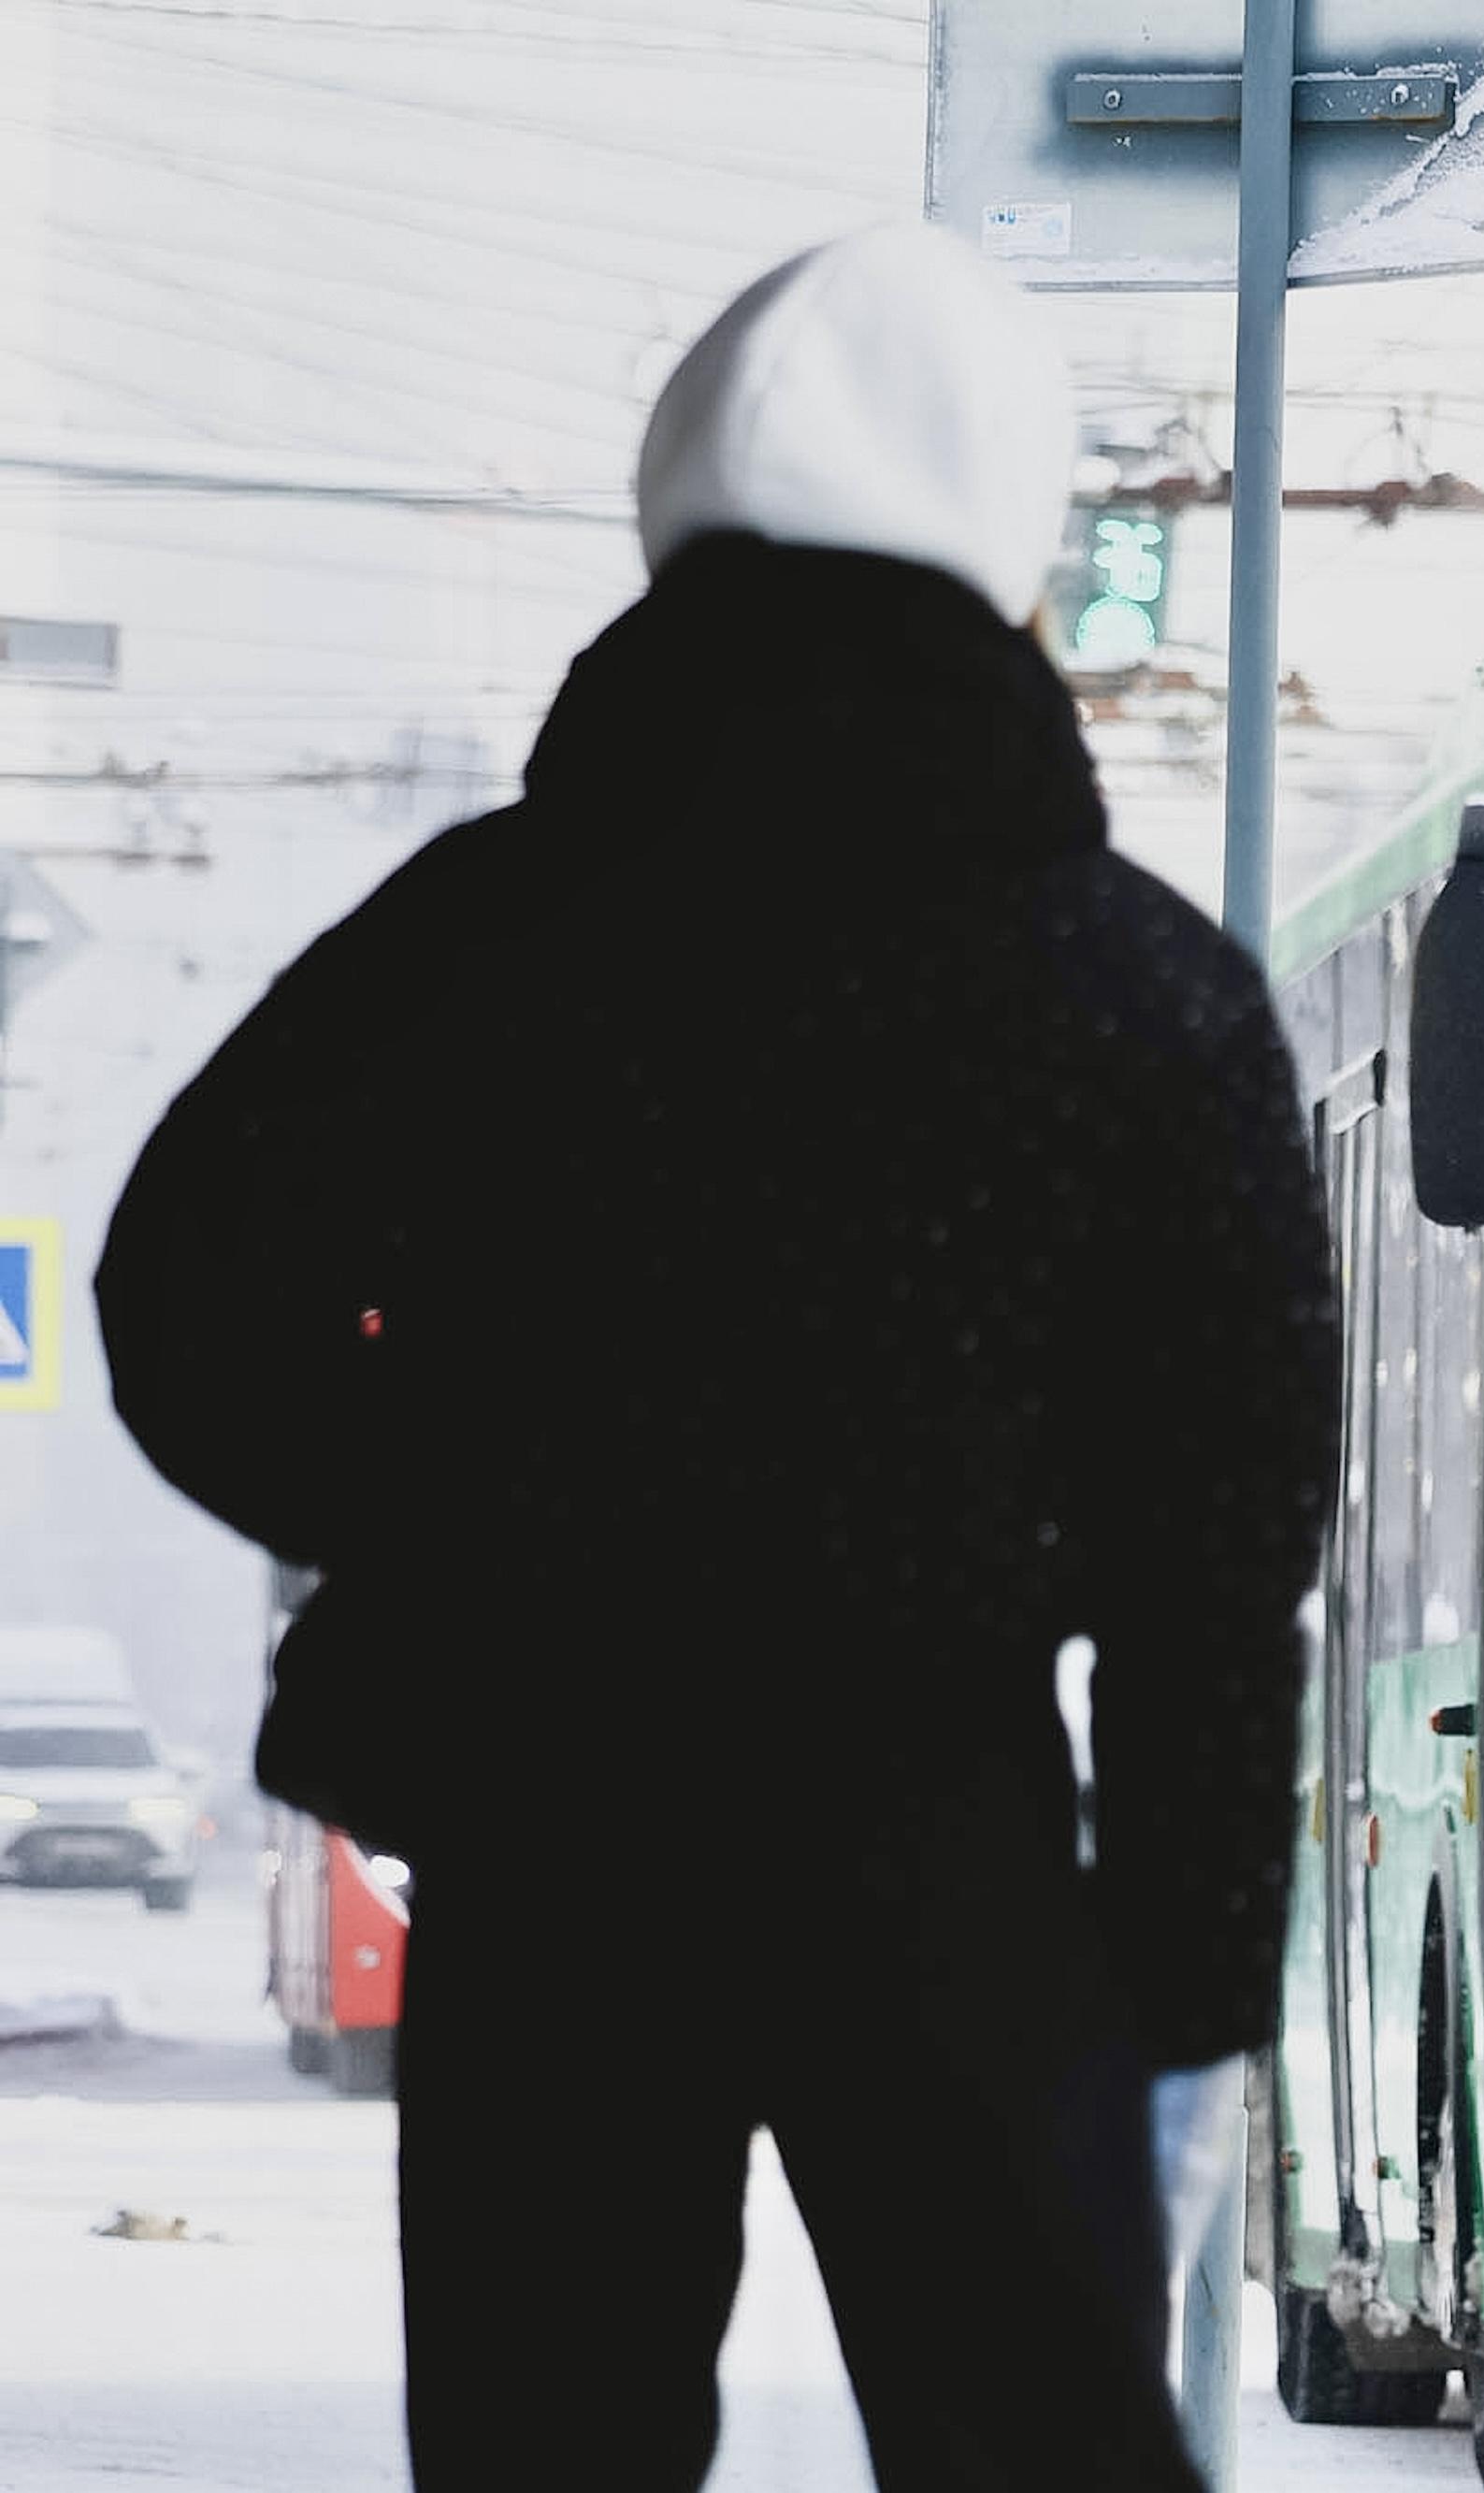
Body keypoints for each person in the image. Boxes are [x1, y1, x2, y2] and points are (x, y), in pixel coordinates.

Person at [96, 226, 1336, 2491]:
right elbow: (1219, 1542)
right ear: (1010, 556)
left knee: (549, 2445)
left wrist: (462, 1522)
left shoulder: (479, 932)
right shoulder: (1138, 988)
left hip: (555, 1845)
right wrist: (1180, 1982)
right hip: (949, 1853)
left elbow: (182, 1300)